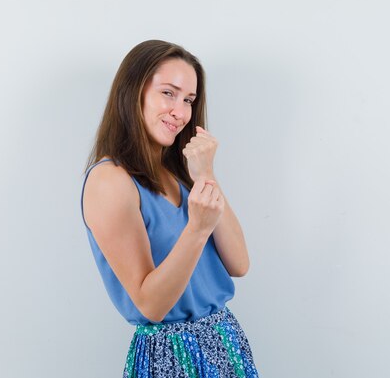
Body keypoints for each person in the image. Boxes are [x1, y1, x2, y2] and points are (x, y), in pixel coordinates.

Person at [80, 40, 260, 377]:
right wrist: (197, 227)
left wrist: (205, 174)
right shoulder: (110, 181)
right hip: (169, 356)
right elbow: (151, 304)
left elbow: (240, 263)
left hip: (224, 340)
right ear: (134, 92)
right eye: (168, 93)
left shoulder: (183, 173)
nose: (180, 111)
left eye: (189, 99)